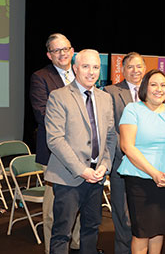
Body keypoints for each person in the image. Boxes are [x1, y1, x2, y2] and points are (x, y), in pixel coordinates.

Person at [45, 49, 117, 254]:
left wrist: (104, 166)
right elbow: (55, 140)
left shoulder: (105, 98)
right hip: (68, 177)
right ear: (75, 68)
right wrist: (82, 170)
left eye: (96, 67)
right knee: (62, 233)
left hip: (97, 176)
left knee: (91, 229)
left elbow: (110, 137)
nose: (91, 72)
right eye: (85, 66)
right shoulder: (58, 97)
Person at [118, 69, 165, 254]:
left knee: (158, 229)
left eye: (163, 85)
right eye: (154, 84)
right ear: (145, 87)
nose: (159, 89)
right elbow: (127, 146)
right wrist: (154, 173)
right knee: (142, 232)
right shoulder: (133, 109)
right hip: (140, 179)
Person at [29, 33, 81, 254]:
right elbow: (43, 115)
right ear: (49, 55)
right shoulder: (40, 77)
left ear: (72, 51)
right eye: (57, 50)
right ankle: (53, 249)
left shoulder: (81, 74)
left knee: (79, 203)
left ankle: (78, 245)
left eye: (66, 49)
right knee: (53, 208)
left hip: (82, 152)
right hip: (54, 153)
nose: (62, 54)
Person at [103, 52, 146, 254]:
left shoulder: (152, 91)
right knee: (122, 215)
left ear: (144, 69)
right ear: (123, 70)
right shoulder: (111, 92)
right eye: (130, 66)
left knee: (143, 216)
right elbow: (109, 128)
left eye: (138, 66)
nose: (135, 70)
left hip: (147, 165)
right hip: (121, 163)